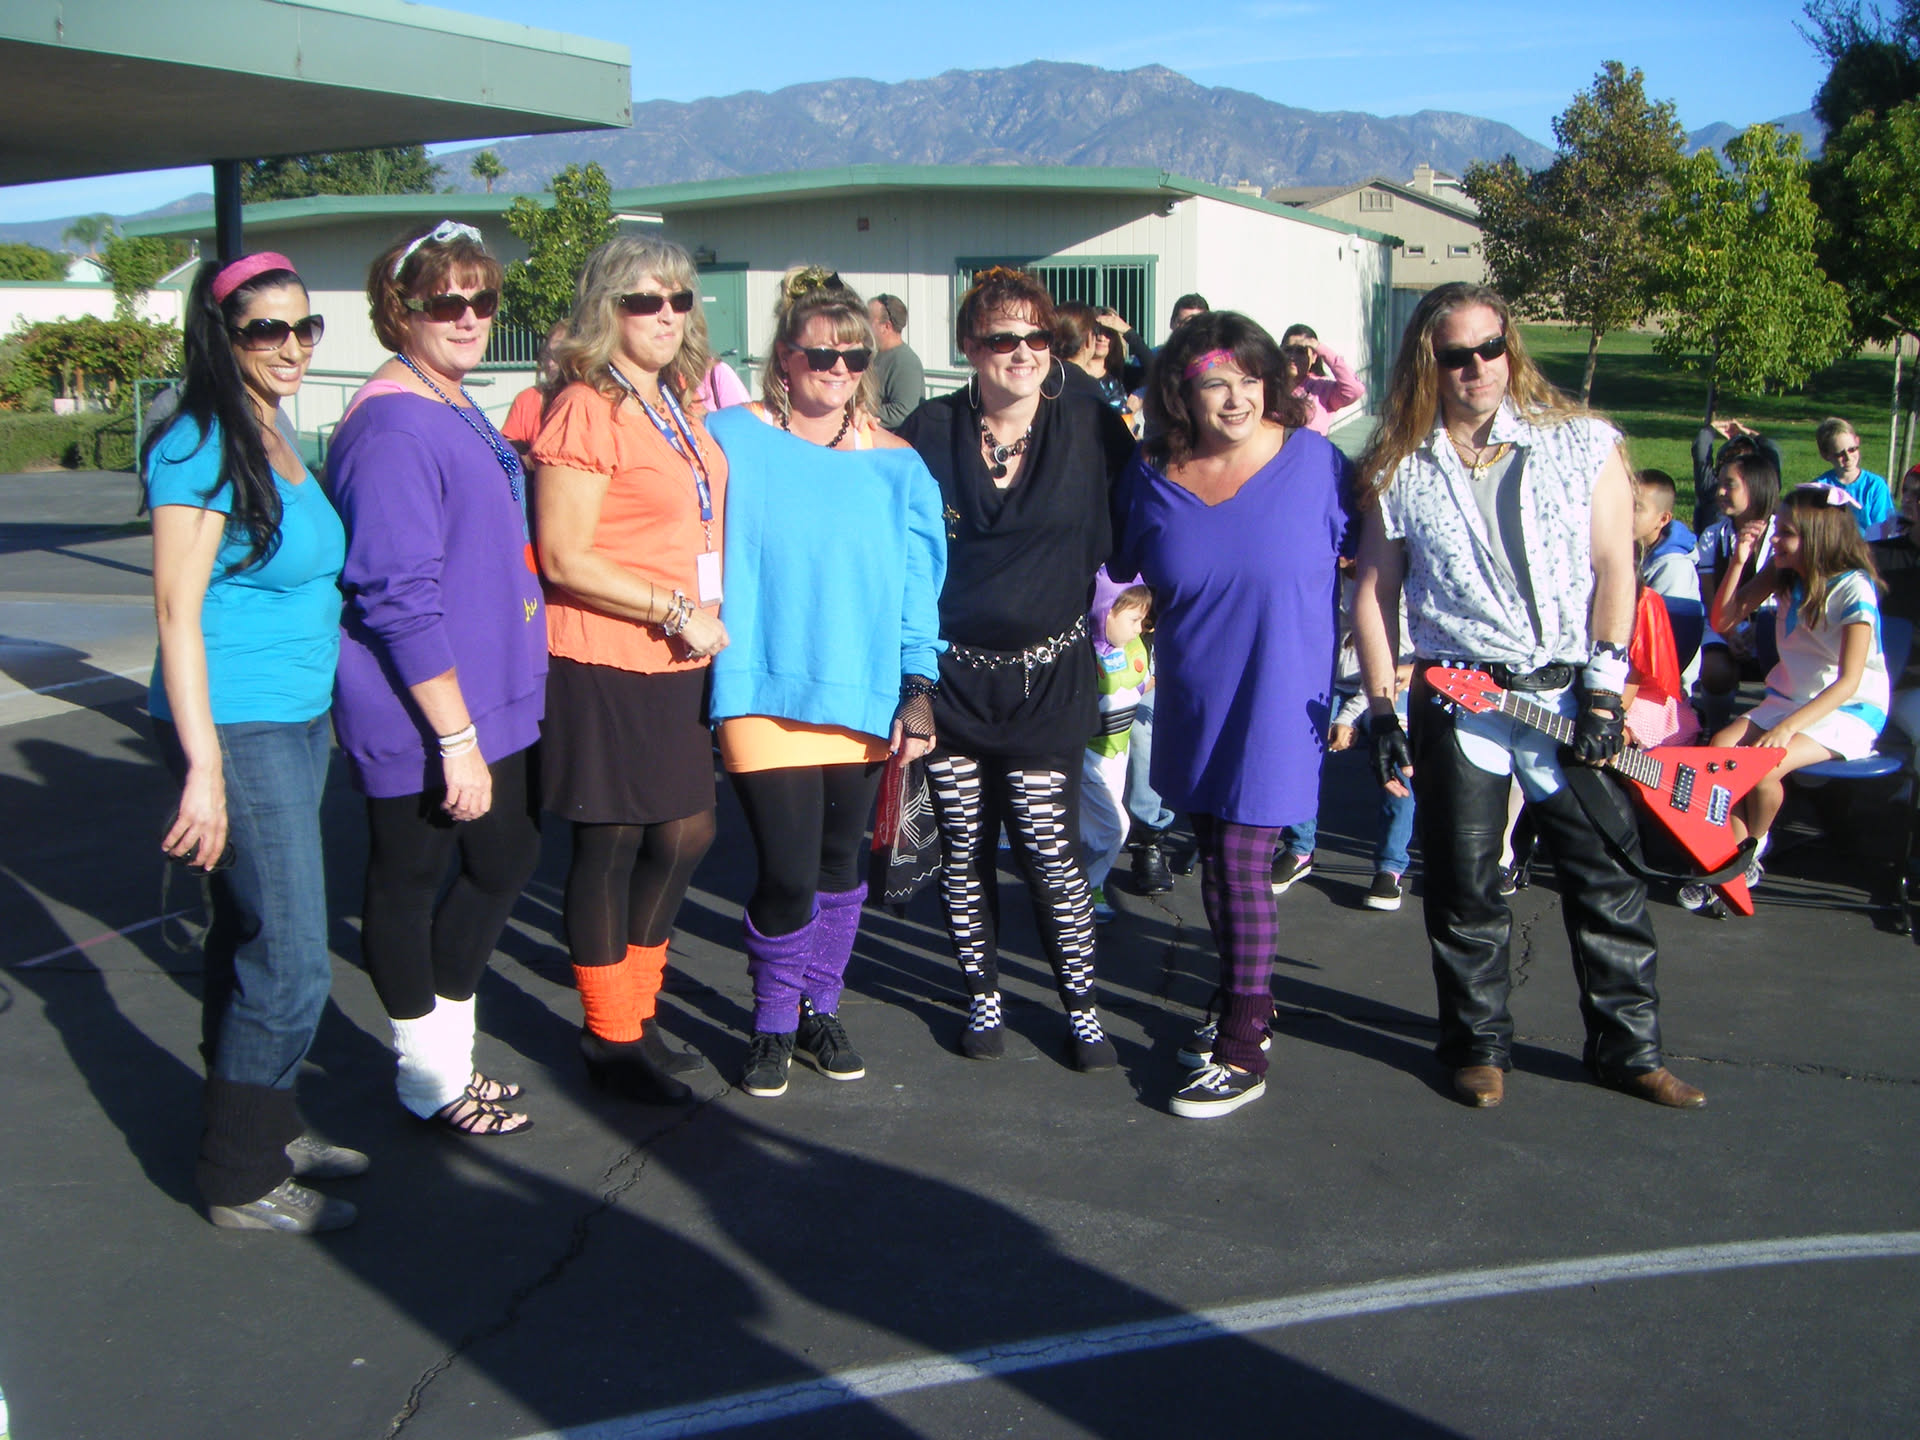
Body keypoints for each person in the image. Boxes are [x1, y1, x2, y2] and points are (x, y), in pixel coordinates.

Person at [1350, 281, 1704, 1111]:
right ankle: (1477, 1048)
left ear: (1511, 349)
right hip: (1459, 693)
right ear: (1427, 363)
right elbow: (1374, 589)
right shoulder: (1400, 464)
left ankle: (1629, 1051)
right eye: (1456, 355)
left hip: (1568, 694)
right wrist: (1379, 709)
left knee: (1606, 877)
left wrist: (1607, 691)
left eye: (1490, 348)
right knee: (1464, 883)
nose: (1476, 368)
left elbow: (1616, 566)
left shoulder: (1583, 441)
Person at [144, 251, 359, 1230]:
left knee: (247, 934)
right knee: (294, 956)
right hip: (236, 722)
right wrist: (204, 769)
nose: (291, 346)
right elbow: (175, 611)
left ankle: (264, 1125)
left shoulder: (274, 428)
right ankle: (238, 1176)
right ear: (221, 336)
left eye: (304, 327)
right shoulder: (198, 443)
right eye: (266, 329)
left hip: (297, 718)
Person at [328, 220, 546, 1138]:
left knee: (503, 860)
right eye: (444, 301)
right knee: (412, 877)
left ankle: (448, 1060)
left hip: (492, 695)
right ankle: (428, 1079)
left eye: (482, 299)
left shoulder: (449, 398)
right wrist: (454, 737)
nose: (467, 317)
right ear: (399, 309)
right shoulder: (391, 425)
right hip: (427, 710)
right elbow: (395, 595)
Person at [707, 267, 947, 1097]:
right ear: (784, 356)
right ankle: (773, 1021)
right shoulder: (727, 436)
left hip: (862, 688)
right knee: (785, 869)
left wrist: (919, 688)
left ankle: (820, 1007)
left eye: (854, 357)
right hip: (758, 685)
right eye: (820, 354)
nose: (838, 370)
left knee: (841, 865)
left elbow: (919, 586)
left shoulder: (898, 464)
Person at [896, 266, 1135, 1070]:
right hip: (954, 682)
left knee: (1049, 852)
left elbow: (1148, 507)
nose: (1024, 351)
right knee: (964, 849)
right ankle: (983, 997)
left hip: (1049, 679)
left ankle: (1083, 1009)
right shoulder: (930, 429)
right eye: (1003, 338)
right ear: (970, 347)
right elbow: (884, 538)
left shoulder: (1090, 425)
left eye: (1038, 336)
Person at [1112, 311, 1350, 1118]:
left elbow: (1384, 561)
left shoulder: (1317, 465)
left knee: (1244, 861)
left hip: (1281, 697)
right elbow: (1116, 564)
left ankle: (1245, 1044)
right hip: (1194, 696)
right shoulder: (1152, 474)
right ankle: (1235, 996)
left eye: (1250, 379)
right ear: (1183, 393)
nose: (1237, 397)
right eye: (1216, 382)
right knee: (1215, 859)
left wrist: (1382, 681)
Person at [532, 235, 730, 1105]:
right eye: (643, 300)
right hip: (606, 651)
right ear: (605, 310)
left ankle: (634, 1014)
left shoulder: (671, 400)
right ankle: (612, 1038)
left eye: (679, 299)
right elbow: (564, 556)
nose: (665, 315)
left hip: (678, 654)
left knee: (686, 833)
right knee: (611, 843)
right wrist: (675, 609)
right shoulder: (588, 405)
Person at [1698, 483, 1889, 892]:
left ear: (1818, 539)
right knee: (1720, 751)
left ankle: (1752, 845)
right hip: (1791, 698)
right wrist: (1739, 561)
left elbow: (1849, 682)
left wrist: (1785, 729)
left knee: (1763, 768)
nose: (1775, 539)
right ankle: (1729, 859)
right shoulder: (1783, 570)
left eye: (1785, 532)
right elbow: (1723, 620)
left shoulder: (1853, 588)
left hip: (1847, 708)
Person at [1079, 572, 1153, 924]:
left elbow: (1141, 683)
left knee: (1090, 829)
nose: (1140, 629)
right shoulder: (1081, 655)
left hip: (1117, 754)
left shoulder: (1134, 645)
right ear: (1104, 612)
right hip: (1088, 756)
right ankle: (1083, 888)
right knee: (1115, 826)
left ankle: (1084, 883)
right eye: (1134, 619)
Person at [1695, 446, 1783, 736]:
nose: (1720, 492)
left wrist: (1759, 629)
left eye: (1729, 485)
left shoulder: (1781, 535)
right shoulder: (1714, 535)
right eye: (1719, 484)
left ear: (1755, 488)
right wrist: (1730, 634)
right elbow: (1710, 596)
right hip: (1727, 625)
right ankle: (1716, 726)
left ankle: (1772, 726)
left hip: (1772, 624)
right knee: (1715, 670)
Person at [1631, 469, 1703, 677]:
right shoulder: (1628, 549)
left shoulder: (1674, 566)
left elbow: (1664, 637)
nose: (1626, 513)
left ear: (1663, 519)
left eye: (1637, 508)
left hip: (1660, 679)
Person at [1870, 463, 1920, 741]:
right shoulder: (1877, 556)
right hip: (1896, 684)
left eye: (1919, 495)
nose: (1909, 499)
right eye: (1906, 492)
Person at [1690, 418, 1781, 534]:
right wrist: (1750, 433)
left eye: (1730, 484)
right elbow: (1772, 452)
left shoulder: (1710, 488)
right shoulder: (1767, 487)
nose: (1721, 491)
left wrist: (1711, 428)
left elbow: (1700, 451)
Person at [1810, 417, 1893, 538]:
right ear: (1825, 455)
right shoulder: (1820, 487)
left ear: (1857, 442)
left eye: (1852, 449)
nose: (1848, 458)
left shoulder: (1875, 486)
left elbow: (1884, 529)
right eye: (1840, 454)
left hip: (1869, 547)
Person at [1280, 324, 1366, 436]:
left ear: (1314, 357)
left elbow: (1354, 389)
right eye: (1288, 350)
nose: (1292, 356)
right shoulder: (1271, 386)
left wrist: (1320, 348)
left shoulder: (1322, 389)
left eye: (1300, 351)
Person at [500, 321, 567, 462]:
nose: (550, 363)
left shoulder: (592, 401)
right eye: (547, 355)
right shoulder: (528, 399)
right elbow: (507, 454)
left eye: (558, 355)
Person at [866, 293, 926, 430]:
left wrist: (861, 412)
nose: (863, 324)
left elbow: (902, 412)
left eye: (868, 319)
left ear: (886, 326)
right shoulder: (873, 355)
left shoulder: (905, 362)